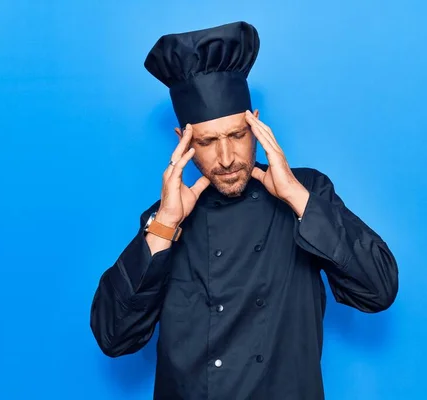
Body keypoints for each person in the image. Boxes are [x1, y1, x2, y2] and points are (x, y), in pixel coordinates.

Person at [90, 21, 399, 400]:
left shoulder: (307, 192)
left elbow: (378, 291)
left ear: (254, 124)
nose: (225, 158)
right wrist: (165, 226)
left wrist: (296, 197)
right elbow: (114, 337)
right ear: (183, 142)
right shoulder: (166, 217)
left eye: (237, 135)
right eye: (207, 142)